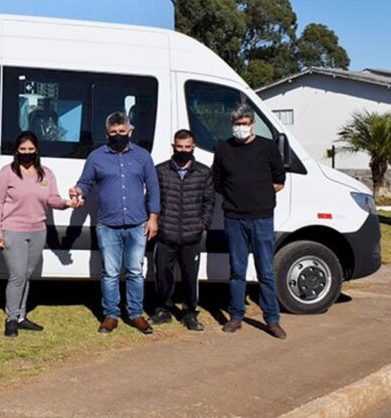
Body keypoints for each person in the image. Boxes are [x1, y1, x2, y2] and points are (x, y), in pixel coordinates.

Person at [70, 111, 160, 334]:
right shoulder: (96, 157)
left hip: (137, 224)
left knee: (135, 272)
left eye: (122, 131)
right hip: (108, 225)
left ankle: (136, 314)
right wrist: (78, 190)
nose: (118, 135)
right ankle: (111, 315)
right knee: (110, 273)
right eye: (113, 132)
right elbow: (86, 182)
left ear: (130, 131)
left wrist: (153, 218)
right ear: (107, 133)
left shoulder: (143, 156)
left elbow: (154, 188)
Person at [0, 131, 78, 337]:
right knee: (17, 275)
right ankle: (11, 318)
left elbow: (52, 199)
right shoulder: (7, 173)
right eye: (23, 150)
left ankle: (21, 316)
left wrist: (67, 203)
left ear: (37, 150)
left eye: (30, 150)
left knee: (27, 275)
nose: (27, 153)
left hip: (38, 231)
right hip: (13, 231)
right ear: (16, 151)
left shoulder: (46, 174)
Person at [211, 105, 288, 339]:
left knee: (265, 271)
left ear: (253, 124)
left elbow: (279, 180)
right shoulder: (224, 148)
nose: (241, 128)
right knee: (237, 270)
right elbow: (217, 182)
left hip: (262, 218)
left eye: (245, 124)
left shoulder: (267, 147)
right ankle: (236, 316)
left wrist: (259, 195)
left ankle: (272, 319)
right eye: (237, 124)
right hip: (234, 219)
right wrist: (237, 196)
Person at [151, 129, 214, 331]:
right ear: (173, 147)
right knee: (163, 276)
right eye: (180, 147)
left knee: (190, 277)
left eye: (187, 147)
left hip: (191, 236)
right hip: (166, 234)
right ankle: (163, 310)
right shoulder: (160, 171)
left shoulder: (204, 172)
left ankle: (190, 313)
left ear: (193, 147)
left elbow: (209, 202)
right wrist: (156, 223)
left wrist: (202, 224)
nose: (183, 150)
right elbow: (152, 199)